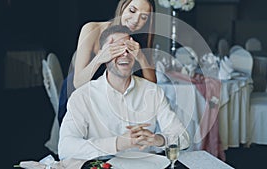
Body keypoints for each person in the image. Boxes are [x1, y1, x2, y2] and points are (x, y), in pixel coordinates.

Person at [58, 25, 189, 160]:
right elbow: (65, 149)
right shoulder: (83, 96)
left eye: (129, 48)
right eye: (116, 49)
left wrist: (159, 139)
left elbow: (183, 138)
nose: (124, 54)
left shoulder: (153, 92)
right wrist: (118, 143)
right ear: (104, 55)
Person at [58, 0, 157, 125]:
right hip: (80, 99)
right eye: (132, 10)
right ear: (122, 7)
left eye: (143, 17)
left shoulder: (140, 40)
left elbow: (152, 87)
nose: (136, 20)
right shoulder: (92, 29)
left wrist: (141, 57)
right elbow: (78, 83)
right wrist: (101, 57)